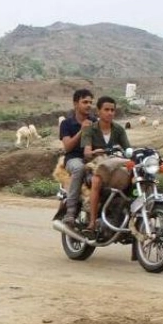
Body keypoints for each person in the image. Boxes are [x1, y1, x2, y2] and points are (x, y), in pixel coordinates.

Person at [79, 96, 131, 238]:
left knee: (136, 177)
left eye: (112, 110)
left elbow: (128, 150)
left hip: (114, 165)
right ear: (98, 112)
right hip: (95, 164)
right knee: (97, 180)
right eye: (106, 109)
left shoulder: (119, 130)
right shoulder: (90, 129)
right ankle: (92, 223)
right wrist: (94, 152)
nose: (110, 113)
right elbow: (87, 152)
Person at [58, 88, 96, 228]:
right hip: (74, 158)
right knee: (79, 169)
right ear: (75, 104)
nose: (88, 105)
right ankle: (71, 211)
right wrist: (82, 130)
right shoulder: (66, 124)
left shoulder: (95, 121)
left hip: (92, 158)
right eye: (85, 102)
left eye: (90, 102)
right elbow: (67, 147)